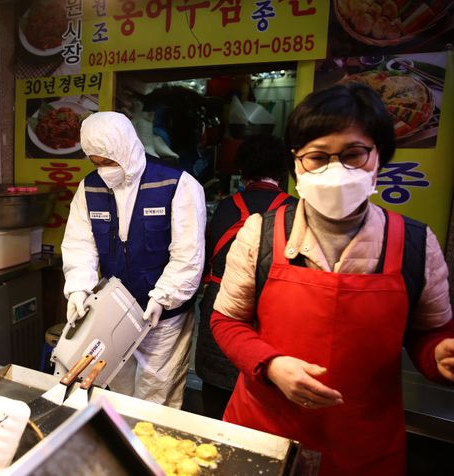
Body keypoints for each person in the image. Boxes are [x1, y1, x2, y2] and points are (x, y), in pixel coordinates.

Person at [210, 83, 454, 475]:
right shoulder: (260, 232)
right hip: (264, 435)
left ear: (379, 157)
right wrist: (270, 364)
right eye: (318, 157)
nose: (335, 170)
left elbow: (431, 331)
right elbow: (227, 320)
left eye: (353, 154)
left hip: (364, 447)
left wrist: (437, 355)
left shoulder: (415, 243)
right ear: (296, 163)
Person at [62, 111, 206, 408]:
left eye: (109, 161)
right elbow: (80, 244)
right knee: (116, 387)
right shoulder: (89, 188)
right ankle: (123, 445)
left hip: (164, 316)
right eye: (96, 162)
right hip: (113, 314)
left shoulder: (177, 185)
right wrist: (78, 288)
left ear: (127, 149)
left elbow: (187, 253)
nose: (103, 170)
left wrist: (164, 297)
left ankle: (151, 452)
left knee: (157, 393)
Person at [196, 135, 297, 419]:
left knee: (217, 403)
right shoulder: (295, 209)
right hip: (272, 310)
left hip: (220, 307)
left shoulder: (227, 207)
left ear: (243, 170)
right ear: (283, 170)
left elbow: (204, 259)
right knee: (263, 399)